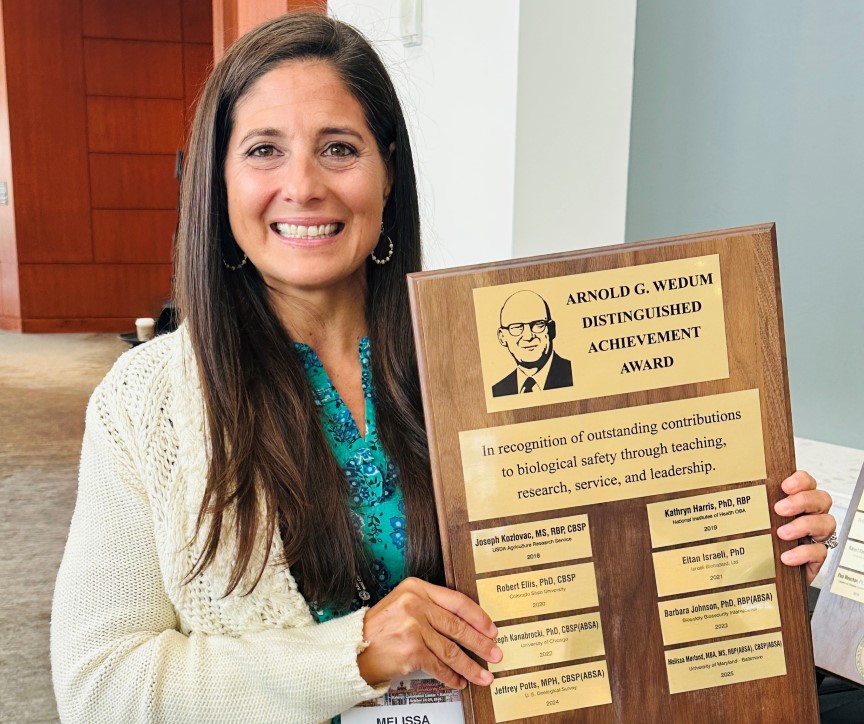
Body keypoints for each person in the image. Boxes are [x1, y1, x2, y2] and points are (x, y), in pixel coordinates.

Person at [50, 12, 837, 724]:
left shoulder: (479, 350)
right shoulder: (145, 401)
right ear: (219, 183)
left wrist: (751, 555)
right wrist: (357, 652)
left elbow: (610, 589)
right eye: (263, 151)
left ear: (387, 174)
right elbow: (101, 686)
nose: (304, 186)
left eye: (339, 148)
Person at [492, 290, 573, 396]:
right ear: (502, 337)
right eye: (517, 327)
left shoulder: (572, 375)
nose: (528, 336)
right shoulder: (498, 391)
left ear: (551, 330)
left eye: (537, 325)